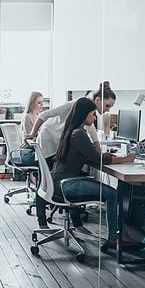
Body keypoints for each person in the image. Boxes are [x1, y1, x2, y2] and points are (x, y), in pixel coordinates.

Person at [27, 82, 115, 229]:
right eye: (107, 106)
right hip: (49, 141)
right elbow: (44, 114)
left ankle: (76, 223)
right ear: (98, 100)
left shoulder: (87, 114)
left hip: (62, 142)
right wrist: (32, 133)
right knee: (44, 182)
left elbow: (92, 132)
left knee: (72, 174)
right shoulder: (76, 105)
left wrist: (98, 151)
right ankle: (42, 222)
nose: (107, 110)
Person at [51, 97, 135, 250]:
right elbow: (99, 159)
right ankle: (113, 239)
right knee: (112, 194)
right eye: (93, 114)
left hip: (59, 182)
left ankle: (116, 235)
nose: (95, 117)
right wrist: (125, 159)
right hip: (67, 185)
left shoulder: (73, 131)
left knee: (108, 191)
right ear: (84, 114)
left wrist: (110, 157)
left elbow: (95, 157)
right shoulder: (79, 134)